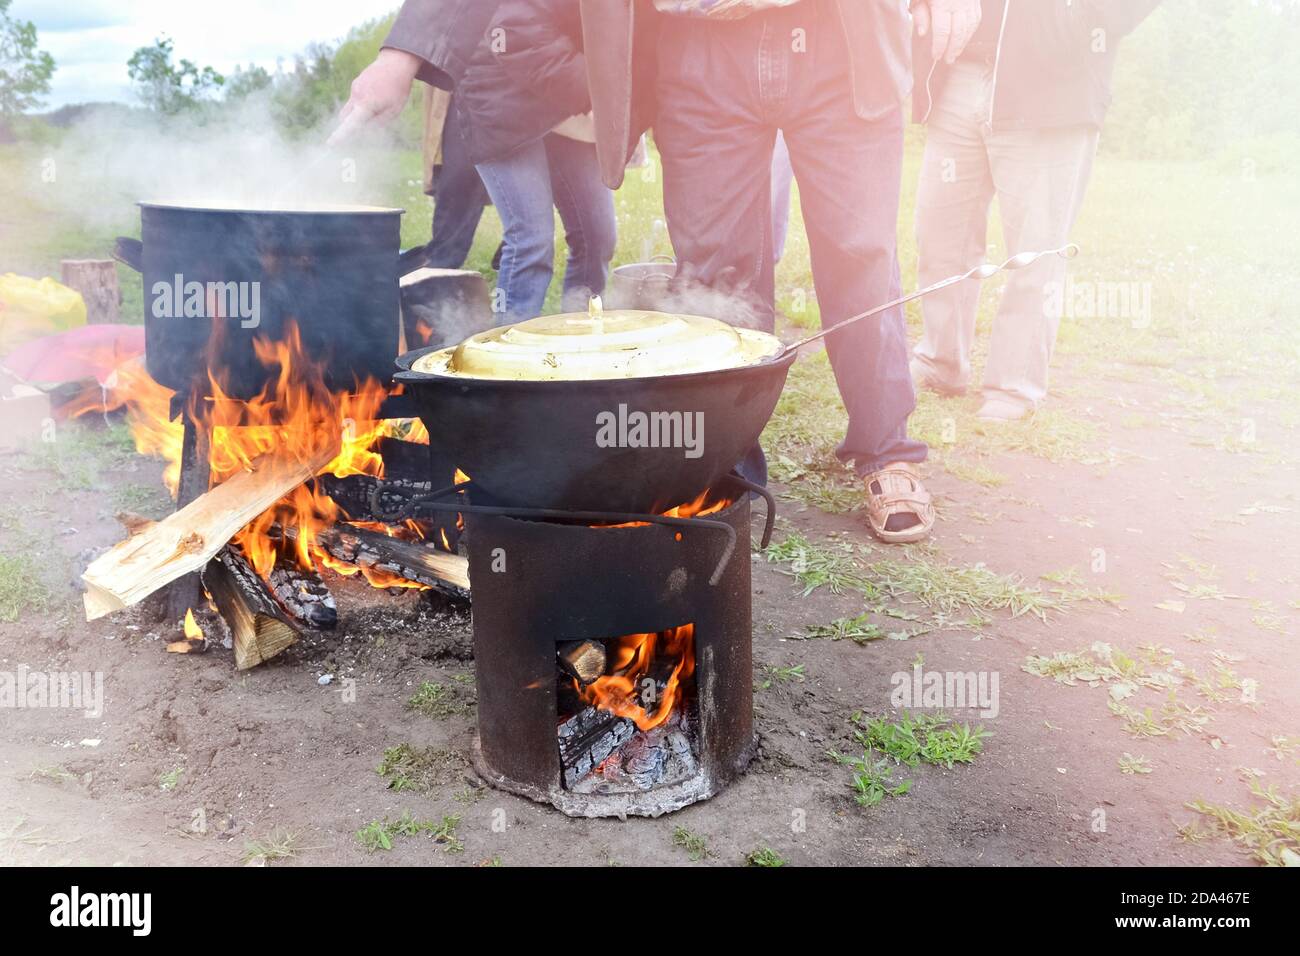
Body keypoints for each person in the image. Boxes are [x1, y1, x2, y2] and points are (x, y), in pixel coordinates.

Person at [581, 0, 981, 543]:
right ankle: (723, 460)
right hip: (696, 38)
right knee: (713, 267)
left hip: (841, 32)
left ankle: (887, 450)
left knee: (860, 251)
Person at [909, 0, 1161, 421]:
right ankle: (941, 360)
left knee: (1035, 248)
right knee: (939, 234)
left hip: (1053, 84)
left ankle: (1014, 385)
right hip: (959, 70)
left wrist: (1073, 22)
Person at [339, 0, 614, 324]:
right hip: (500, 88)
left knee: (597, 234)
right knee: (532, 239)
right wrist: (397, 59)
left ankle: (583, 338)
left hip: (569, 85)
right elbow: (515, 29)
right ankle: (511, 357)